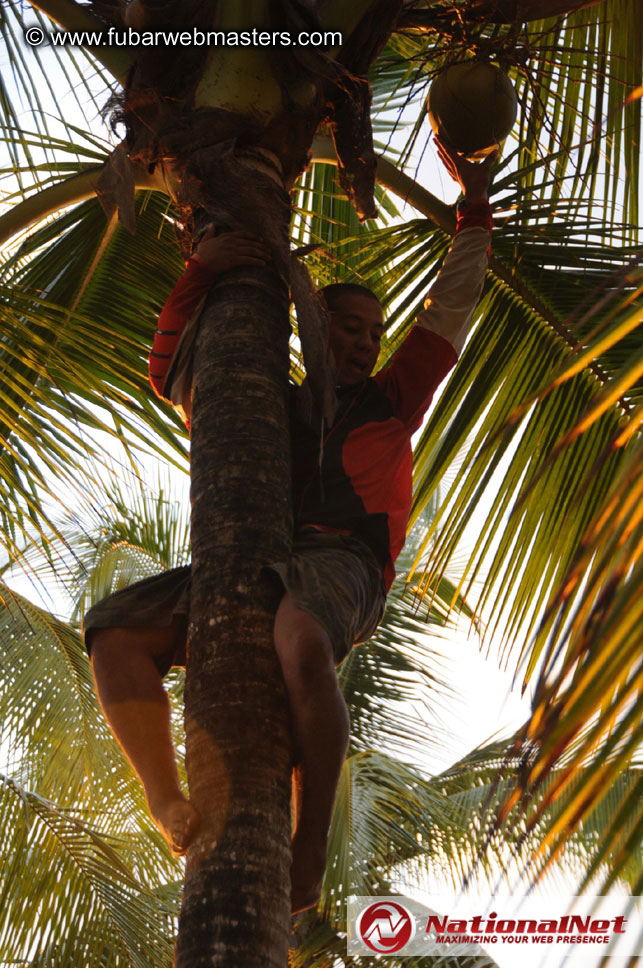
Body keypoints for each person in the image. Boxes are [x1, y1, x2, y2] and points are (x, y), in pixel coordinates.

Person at [83, 140, 495, 914]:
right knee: (114, 633)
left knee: (300, 641)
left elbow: (451, 307)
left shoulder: (390, 401)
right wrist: (202, 269)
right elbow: (170, 371)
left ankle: (309, 846)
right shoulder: (263, 401)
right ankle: (165, 799)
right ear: (310, 326)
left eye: (374, 333)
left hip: (343, 564)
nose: (365, 343)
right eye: (349, 327)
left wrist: (473, 209)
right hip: (255, 557)